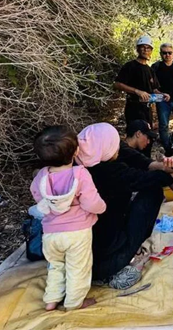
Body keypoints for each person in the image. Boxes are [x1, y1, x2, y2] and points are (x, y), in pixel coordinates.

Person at [76, 123, 173, 289]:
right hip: (108, 261)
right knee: (153, 191)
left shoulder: (72, 170)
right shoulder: (112, 171)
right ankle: (128, 258)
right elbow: (163, 179)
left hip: (77, 265)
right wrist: (167, 169)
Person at [31, 126, 106, 311]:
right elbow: (91, 202)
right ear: (76, 151)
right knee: (78, 268)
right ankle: (74, 303)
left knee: (56, 266)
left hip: (50, 233)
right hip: (77, 233)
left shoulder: (41, 176)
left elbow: (37, 195)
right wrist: (102, 208)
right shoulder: (79, 174)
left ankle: (51, 300)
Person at [114, 36, 170, 157]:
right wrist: (136, 91)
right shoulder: (130, 66)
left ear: (151, 51)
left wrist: (162, 95)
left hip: (147, 109)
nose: (145, 50)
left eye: (148, 48)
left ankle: (145, 164)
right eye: (143, 48)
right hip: (133, 107)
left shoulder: (150, 70)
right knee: (134, 138)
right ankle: (131, 164)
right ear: (138, 49)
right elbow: (118, 84)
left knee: (147, 136)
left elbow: (154, 88)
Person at [120, 119, 173, 198]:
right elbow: (152, 165)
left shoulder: (127, 148)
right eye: (147, 137)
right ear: (138, 134)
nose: (148, 142)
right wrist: (168, 164)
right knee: (165, 176)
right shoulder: (126, 151)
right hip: (125, 193)